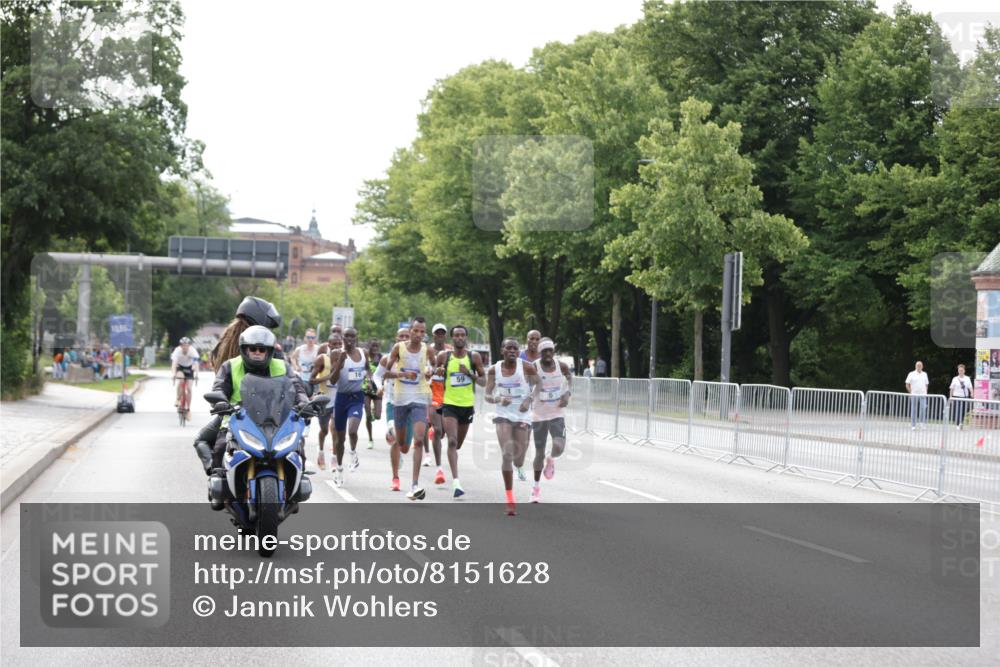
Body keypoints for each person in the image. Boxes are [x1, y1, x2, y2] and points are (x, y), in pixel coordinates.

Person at [208, 326, 310, 504]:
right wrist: (221, 402)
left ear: (269, 351)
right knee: (220, 446)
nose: (256, 352)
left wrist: (304, 402)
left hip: (277, 420)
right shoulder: (230, 366)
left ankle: (296, 484)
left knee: (298, 445)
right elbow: (218, 389)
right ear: (244, 349)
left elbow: (297, 387)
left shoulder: (282, 366)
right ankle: (220, 490)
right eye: (252, 348)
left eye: (261, 349)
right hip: (239, 419)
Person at [192, 296, 283, 475]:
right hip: (267, 411)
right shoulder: (266, 348)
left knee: (201, 440)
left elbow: (219, 378)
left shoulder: (225, 343)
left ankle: (216, 477)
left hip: (232, 409)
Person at [485, 337, 541, 516]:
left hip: (523, 414)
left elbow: (539, 384)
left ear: (519, 351)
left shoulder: (526, 367)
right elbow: (487, 394)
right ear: (502, 350)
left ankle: (520, 464)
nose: (512, 351)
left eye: (515, 349)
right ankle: (510, 498)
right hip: (503, 414)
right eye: (508, 348)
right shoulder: (495, 369)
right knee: (507, 454)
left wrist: (529, 399)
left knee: (519, 460)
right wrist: (498, 399)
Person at [383, 317, 436, 500]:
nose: (419, 335)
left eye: (422, 332)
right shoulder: (399, 348)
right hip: (400, 400)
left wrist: (431, 372)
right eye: (416, 331)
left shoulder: (427, 350)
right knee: (402, 445)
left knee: (419, 440)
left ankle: (414, 485)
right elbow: (385, 373)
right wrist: (402, 373)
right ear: (411, 330)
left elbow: (435, 367)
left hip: (420, 397)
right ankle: (398, 462)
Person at [436, 324, 486, 499]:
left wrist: (469, 374)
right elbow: (436, 375)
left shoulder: (474, 357)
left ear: (466, 338)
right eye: (456, 335)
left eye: (462, 335)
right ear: (452, 338)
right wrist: (439, 371)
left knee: (457, 445)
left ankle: (451, 461)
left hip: (466, 406)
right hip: (449, 404)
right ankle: (456, 482)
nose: (459, 338)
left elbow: (483, 382)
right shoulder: (444, 356)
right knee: (451, 441)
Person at [326, 327, 371, 487]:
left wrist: (370, 380)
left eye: (353, 336)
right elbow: (332, 380)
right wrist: (340, 363)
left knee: (352, 431)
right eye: (347, 336)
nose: (349, 339)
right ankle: (338, 469)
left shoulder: (362, 352)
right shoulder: (336, 353)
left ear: (356, 338)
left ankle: (353, 452)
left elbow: (367, 369)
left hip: (357, 398)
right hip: (341, 398)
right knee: (339, 440)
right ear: (342, 337)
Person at [530, 338, 572, 503]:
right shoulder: (534, 367)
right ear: (540, 353)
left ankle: (552, 458)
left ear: (553, 351)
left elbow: (569, 378)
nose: (547, 354)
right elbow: (528, 385)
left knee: (559, 446)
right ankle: (535, 488)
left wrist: (567, 393)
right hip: (539, 415)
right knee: (538, 452)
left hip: (557, 413)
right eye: (544, 351)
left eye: (550, 350)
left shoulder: (561, 366)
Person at [374, 327, 415, 490]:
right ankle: (395, 478)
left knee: (405, 447)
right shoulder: (387, 359)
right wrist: (379, 387)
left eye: (407, 336)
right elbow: (378, 375)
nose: (404, 339)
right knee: (396, 437)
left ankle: (399, 445)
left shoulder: (414, 358)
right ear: (396, 338)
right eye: (401, 336)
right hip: (393, 403)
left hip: (411, 404)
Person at [309, 330, 344, 471]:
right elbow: (311, 380)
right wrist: (328, 377)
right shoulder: (322, 359)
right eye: (334, 344)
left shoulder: (344, 358)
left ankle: (334, 458)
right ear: (328, 345)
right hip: (325, 399)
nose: (337, 347)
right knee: (324, 430)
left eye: (339, 344)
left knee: (336, 429)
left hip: (339, 400)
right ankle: (321, 451)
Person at [426, 323, 452, 480]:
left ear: (445, 335)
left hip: (447, 393)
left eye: (443, 333)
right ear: (433, 335)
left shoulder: (450, 351)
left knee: (442, 433)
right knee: (437, 430)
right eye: (437, 333)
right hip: (430, 392)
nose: (440, 335)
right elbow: (422, 368)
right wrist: (429, 371)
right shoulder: (427, 350)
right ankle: (439, 469)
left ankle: (433, 432)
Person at [171, 337, 200, 416]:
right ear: (180, 346)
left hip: (189, 368)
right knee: (181, 380)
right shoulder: (177, 351)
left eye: (186, 345)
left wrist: (197, 374)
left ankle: (188, 409)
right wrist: (173, 374)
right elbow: (174, 364)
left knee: (189, 388)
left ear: (189, 346)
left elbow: (196, 363)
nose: (185, 347)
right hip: (180, 367)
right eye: (183, 345)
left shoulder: (192, 351)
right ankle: (178, 399)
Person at [362, 339, 382, 449]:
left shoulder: (381, 358)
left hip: (378, 389)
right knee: (368, 415)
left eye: (376, 346)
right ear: (368, 346)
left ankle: (375, 411)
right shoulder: (365, 358)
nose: (374, 349)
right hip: (366, 388)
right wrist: (368, 380)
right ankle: (370, 439)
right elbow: (364, 370)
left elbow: (384, 371)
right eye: (372, 346)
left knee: (378, 416)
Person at [289, 328, 320, 398]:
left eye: (312, 337)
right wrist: (296, 366)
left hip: (313, 380)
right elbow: (292, 357)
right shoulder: (300, 349)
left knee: (312, 398)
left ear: (315, 339)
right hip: (301, 378)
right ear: (305, 338)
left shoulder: (318, 349)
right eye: (308, 337)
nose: (310, 340)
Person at [905, 361, 930, 430]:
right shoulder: (911, 373)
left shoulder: (925, 374)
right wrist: (911, 392)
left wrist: (926, 393)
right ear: (915, 366)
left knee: (923, 408)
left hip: (923, 394)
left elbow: (926, 384)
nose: (919, 366)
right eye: (917, 365)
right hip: (914, 394)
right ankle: (913, 425)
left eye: (920, 365)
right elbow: (907, 384)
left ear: (922, 366)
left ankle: (922, 423)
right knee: (914, 409)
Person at [950, 364, 973, 430]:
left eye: (962, 370)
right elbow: (952, 388)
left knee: (963, 411)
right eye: (959, 370)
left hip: (964, 397)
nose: (960, 371)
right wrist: (951, 397)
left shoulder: (967, 378)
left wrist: (972, 393)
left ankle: (961, 422)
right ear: (958, 371)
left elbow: (970, 387)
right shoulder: (955, 379)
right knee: (957, 410)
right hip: (956, 397)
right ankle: (957, 424)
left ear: (964, 371)